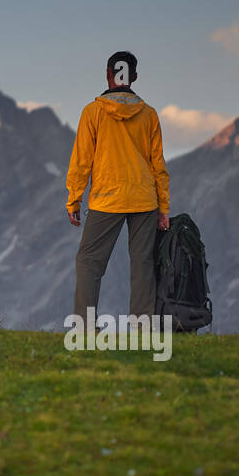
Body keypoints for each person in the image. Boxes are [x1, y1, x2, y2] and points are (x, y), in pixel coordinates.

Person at [65, 51, 170, 319]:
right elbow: (158, 164)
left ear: (108, 74)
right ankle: (142, 327)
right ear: (133, 77)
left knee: (89, 262)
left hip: (106, 199)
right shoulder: (149, 115)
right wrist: (164, 208)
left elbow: (82, 160)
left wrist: (74, 199)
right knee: (142, 264)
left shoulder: (93, 112)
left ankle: (85, 326)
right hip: (144, 199)